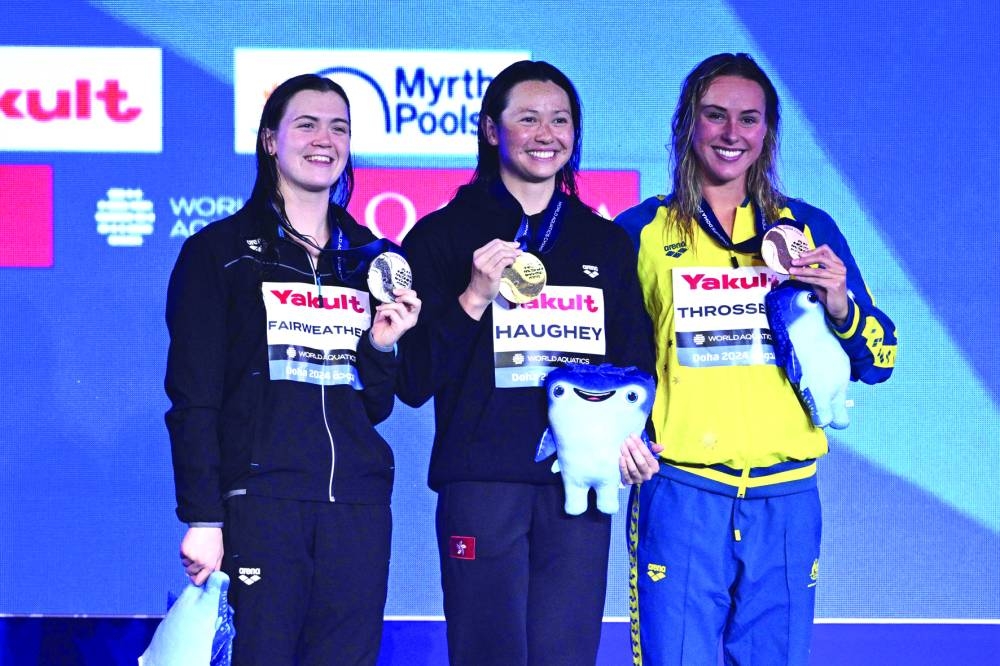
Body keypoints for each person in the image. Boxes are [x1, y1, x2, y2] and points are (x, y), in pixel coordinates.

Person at [616, 53, 898, 665]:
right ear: (687, 123)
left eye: (749, 119)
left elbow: (881, 358)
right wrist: (619, 433)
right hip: (682, 490)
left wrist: (841, 304)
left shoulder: (809, 227)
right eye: (715, 115)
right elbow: (613, 360)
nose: (731, 133)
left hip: (788, 497)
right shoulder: (640, 230)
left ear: (767, 131)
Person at [396, 60, 660, 666]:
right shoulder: (439, 236)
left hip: (579, 483)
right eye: (529, 118)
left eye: (561, 120)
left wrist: (632, 437)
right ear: (492, 130)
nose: (547, 134)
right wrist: (471, 299)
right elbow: (410, 379)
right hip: (482, 485)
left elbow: (634, 362)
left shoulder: (603, 242)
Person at [164, 73, 421, 666]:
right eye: (306, 124)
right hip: (261, 503)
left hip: (356, 507)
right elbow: (193, 399)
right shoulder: (219, 253)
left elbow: (374, 404)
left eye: (339, 127)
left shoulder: (374, 259)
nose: (324, 139)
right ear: (270, 140)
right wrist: (203, 516)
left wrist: (381, 348)